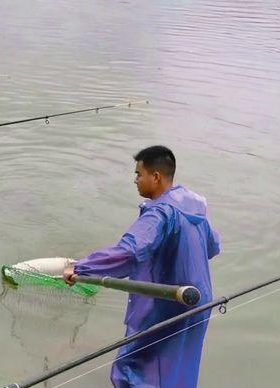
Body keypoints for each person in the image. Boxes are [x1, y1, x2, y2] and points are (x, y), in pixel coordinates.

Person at [64, 145, 221, 388]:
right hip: (200, 301)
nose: (135, 180)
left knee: (131, 366)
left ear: (156, 177)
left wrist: (81, 268)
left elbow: (129, 252)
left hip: (169, 303)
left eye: (139, 174)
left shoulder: (160, 213)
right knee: (179, 366)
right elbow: (212, 247)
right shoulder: (194, 207)